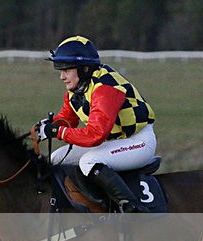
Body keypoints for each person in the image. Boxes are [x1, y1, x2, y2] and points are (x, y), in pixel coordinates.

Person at [35, 36, 157, 214]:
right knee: (56, 159)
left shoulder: (106, 88)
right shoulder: (77, 89)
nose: (62, 77)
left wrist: (57, 131)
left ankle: (133, 209)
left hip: (138, 141)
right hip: (112, 142)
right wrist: (48, 125)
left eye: (66, 70)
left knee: (89, 161)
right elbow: (67, 121)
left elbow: (95, 135)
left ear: (84, 69)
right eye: (60, 70)